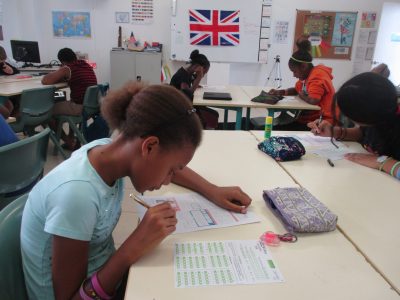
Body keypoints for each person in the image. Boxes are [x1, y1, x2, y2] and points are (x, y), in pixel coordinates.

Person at [20, 82, 252, 299]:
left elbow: (174, 165)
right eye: (170, 170)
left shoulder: (107, 152)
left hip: (104, 277)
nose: (169, 179)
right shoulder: (76, 195)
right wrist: (133, 247)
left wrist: (212, 190)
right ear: (149, 146)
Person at [308, 72, 400, 180]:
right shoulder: (382, 115)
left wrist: (383, 162)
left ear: (368, 115)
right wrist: (334, 131)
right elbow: (362, 133)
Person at [269, 38, 336, 130]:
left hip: (322, 122)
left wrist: (301, 95)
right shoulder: (307, 76)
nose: (294, 75)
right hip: (309, 119)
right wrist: (280, 92)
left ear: (303, 66)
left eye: (294, 71)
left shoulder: (317, 76)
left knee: (278, 130)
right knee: (278, 128)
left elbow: (314, 100)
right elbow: (297, 89)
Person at [42, 47, 98, 150]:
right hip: (91, 106)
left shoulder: (67, 68)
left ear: (62, 61)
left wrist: (61, 69)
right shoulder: (85, 65)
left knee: (46, 111)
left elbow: (45, 81)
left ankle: (69, 142)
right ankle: (71, 137)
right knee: (66, 100)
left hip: (80, 107)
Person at [170, 49, 219, 129]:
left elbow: (191, 81)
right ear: (197, 66)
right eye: (204, 72)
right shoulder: (182, 76)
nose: (203, 75)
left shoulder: (187, 72)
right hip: (181, 109)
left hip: (183, 105)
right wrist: (199, 77)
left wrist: (197, 81)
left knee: (212, 114)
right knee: (212, 115)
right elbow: (187, 94)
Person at [0, 46, 20, 118]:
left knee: (18, 99)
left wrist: (10, 70)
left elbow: (17, 71)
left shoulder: (3, 65)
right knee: (9, 104)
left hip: (5, 89)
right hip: (2, 93)